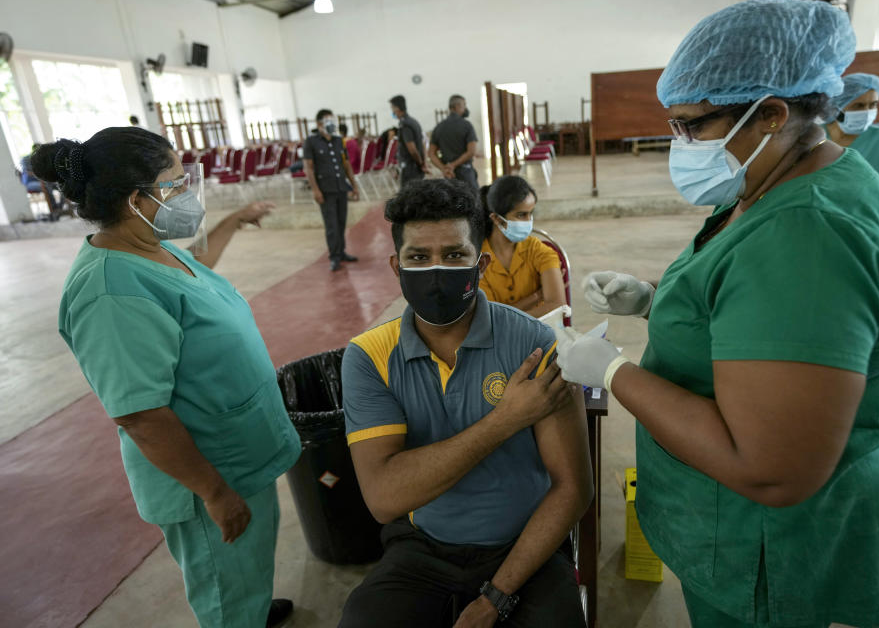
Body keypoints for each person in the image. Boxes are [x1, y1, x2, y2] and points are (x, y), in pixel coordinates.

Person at [553, 0, 879, 627]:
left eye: (693, 126)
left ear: (772, 113)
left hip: (772, 548)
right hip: (742, 532)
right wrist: (653, 301)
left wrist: (613, 372)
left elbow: (769, 469)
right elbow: (754, 309)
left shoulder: (809, 235)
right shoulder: (783, 181)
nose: (681, 146)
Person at [41, 127, 298, 628]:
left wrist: (232, 221)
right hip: (208, 474)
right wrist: (216, 494)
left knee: (246, 572)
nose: (188, 195)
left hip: (237, 454)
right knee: (227, 594)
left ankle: (252, 608)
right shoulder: (110, 293)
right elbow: (140, 414)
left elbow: (194, 268)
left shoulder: (150, 245)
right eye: (177, 185)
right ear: (137, 198)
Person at [338, 178, 592, 628]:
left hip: (524, 543)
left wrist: (496, 597)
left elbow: (573, 487)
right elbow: (384, 498)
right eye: (419, 257)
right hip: (423, 545)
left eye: (455, 255)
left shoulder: (534, 343)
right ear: (397, 267)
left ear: (481, 263)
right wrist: (505, 420)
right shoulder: (369, 357)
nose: (436, 270)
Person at [478, 176, 565, 318]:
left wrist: (508, 319)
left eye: (531, 213)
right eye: (521, 215)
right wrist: (538, 296)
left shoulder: (539, 251)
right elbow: (489, 318)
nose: (528, 221)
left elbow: (557, 306)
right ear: (496, 218)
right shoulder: (478, 260)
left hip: (542, 337)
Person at [303, 108, 361, 271]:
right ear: (319, 123)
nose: (331, 123)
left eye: (332, 120)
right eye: (328, 120)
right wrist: (315, 190)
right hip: (325, 189)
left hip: (340, 187)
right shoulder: (312, 141)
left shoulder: (338, 140)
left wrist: (353, 185)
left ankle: (341, 252)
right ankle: (334, 257)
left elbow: (346, 164)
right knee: (331, 225)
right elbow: (309, 167)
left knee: (341, 222)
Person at [429, 94, 479, 191]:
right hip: (465, 173)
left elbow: (431, 154)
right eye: (464, 105)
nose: (465, 109)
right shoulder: (466, 125)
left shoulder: (439, 127)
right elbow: (471, 152)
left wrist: (444, 168)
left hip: (448, 175)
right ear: (457, 107)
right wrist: (453, 165)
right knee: (473, 201)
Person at [390, 94, 427, 187]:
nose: (392, 111)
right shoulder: (413, 121)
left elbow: (412, 149)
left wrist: (421, 164)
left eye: (392, 108)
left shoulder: (405, 124)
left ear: (397, 108)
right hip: (415, 168)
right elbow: (423, 144)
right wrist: (423, 162)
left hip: (410, 168)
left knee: (409, 198)